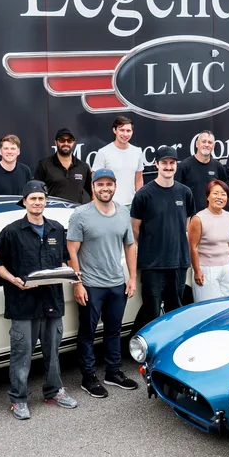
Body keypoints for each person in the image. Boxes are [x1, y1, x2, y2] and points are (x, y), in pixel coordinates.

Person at [0, 181, 79, 419]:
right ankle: (18, 400)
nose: (37, 203)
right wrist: (13, 279)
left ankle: (54, 392)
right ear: (25, 202)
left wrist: (68, 274)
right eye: (33, 199)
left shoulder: (56, 229)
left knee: (52, 351)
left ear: (45, 201)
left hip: (52, 300)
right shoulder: (11, 231)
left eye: (41, 199)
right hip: (22, 302)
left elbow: (62, 260)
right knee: (22, 352)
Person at [68, 169, 139, 398]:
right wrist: (77, 283)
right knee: (87, 333)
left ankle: (113, 372)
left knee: (114, 330)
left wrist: (132, 277)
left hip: (116, 283)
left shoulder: (122, 212)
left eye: (109, 184)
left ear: (115, 186)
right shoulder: (81, 215)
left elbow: (129, 245)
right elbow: (72, 250)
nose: (105, 188)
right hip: (90, 284)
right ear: (93, 188)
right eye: (100, 184)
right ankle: (88, 378)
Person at [130, 146, 195, 332]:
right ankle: (151, 354)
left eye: (172, 163)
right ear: (156, 164)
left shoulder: (185, 192)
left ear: (176, 165)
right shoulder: (144, 194)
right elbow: (136, 230)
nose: (168, 167)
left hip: (178, 263)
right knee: (151, 314)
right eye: (164, 163)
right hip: (152, 265)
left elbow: (186, 226)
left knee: (175, 313)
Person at [188, 179, 229, 300]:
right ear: (207, 197)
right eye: (215, 193)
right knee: (209, 308)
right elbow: (193, 247)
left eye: (223, 194)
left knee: (228, 306)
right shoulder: (198, 219)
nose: (219, 197)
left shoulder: (228, 216)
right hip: (206, 269)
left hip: (226, 268)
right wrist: (197, 270)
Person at [93, 116, 145, 208]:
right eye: (122, 130)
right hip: (109, 205)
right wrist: (97, 206)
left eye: (128, 131)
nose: (125, 134)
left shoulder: (137, 152)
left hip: (131, 205)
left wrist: (139, 202)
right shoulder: (103, 152)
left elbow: (139, 180)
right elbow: (94, 181)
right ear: (114, 130)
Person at [35, 127, 91, 204]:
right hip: (52, 213)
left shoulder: (83, 167)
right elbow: (36, 193)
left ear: (73, 142)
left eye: (69, 140)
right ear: (56, 142)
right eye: (62, 140)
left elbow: (93, 193)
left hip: (76, 214)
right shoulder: (44, 165)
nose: (66, 143)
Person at [175, 130, 226, 212]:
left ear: (213, 146)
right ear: (197, 144)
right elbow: (176, 193)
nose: (206, 145)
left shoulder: (218, 166)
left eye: (210, 142)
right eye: (204, 142)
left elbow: (225, 191)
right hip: (191, 216)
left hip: (212, 215)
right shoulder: (184, 166)